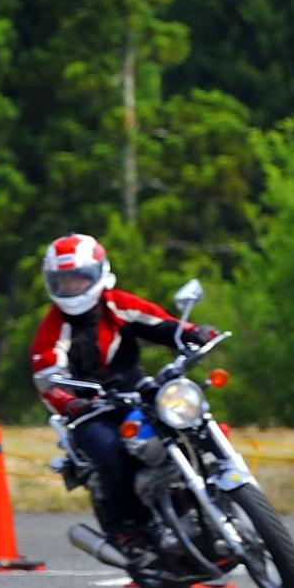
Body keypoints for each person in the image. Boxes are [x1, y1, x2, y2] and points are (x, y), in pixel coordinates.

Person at [29, 233, 216, 544]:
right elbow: (47, 377)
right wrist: (69, 402)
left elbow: (160, 324)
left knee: (189, 417)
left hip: (137, 392)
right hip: (90, 410)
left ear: (98, 273)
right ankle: (125, 528)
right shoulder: (53, 328)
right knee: (111, 452)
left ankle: (216, 477)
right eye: (62, 280)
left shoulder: (117, 304)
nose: (71, 286)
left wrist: (194, 333)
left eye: (78, 277)